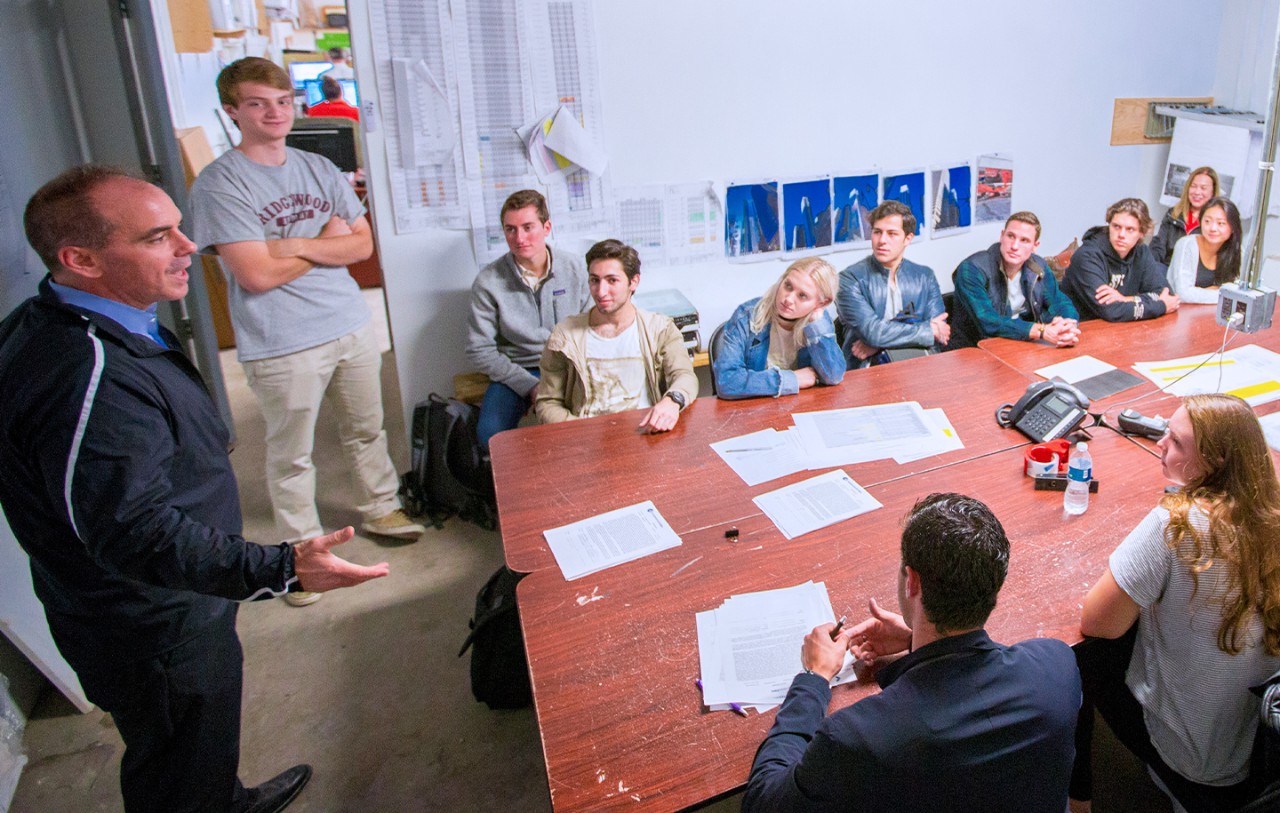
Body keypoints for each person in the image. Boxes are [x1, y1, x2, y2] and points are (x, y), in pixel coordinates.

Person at [0, 165, 390, 813]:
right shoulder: (88, 376)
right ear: (81, 260)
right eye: (157, 237)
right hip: (154, 622)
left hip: (167, 600)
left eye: (178, 228)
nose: (189, 246)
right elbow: (135, 532)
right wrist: (281, 567)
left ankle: (224, 797)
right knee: (177, 767)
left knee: (197, 748)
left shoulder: (65, 317)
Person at [190, 57, 423, 609]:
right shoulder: (220, 184)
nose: (275, 114)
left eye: (282, 102)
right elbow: (255, 275)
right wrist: (324, 242)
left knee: (366, 429)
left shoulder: (317, 167)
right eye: (258, 104)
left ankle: (381, 507)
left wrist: (291, 245)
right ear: (232, 111)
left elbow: (361, 245)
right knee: (291, 453)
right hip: (281, 341)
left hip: (348, 324)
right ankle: (301, 558)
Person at [743, 493, 1080, 812]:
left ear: (912, 582)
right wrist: (913, 642)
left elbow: (762, 802)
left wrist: (814, 678)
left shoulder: (855, 739)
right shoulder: (1057, 668)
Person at [1070, 394, 1280, 813]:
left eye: (1177, 441)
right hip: (1259, 748)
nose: (1161, 443)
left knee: (1079, 660)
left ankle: (1079, 801)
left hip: (1196, 764)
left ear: (1215, 463)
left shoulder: (1176, 524)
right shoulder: (1271, 516)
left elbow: (1097, 622)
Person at [465, 189, 589, 449]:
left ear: (547, 227)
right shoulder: (488, 281)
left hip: (570, 365)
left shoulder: (576, 268)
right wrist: (529, 386)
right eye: (510, 229)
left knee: (589, 429)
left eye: (528, 227)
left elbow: (594, 327)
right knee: (490, 437)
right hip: (518, 370)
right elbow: (480, 349)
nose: (519, 238)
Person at [535, 238, 697, 431]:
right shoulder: (565, 336)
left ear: (633, 282)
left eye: (612, 280)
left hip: (645, 433)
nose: (601, 291)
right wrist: (580, 431)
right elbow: (547, 403)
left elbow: (685, 376)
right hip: (586, 437)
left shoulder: (660, 329)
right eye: (595, 280)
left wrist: (672, 401)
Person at [836, 200, 948, 368]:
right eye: (877, 232)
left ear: (908, 238)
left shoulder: (925, 277)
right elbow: (873, 332)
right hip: (866, 369)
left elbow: (940, 333)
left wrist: (877, 344)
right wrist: (926, 330)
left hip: (918, 365)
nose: (882, 240)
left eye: (892, 234)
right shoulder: (849, 279)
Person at [713, 257, 845, 399]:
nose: (788, 299)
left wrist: (817, 326)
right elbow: (727, 382)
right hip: (756, 407)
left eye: (802, 295)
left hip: (800, 405)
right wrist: (791, 380)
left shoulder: (818, 320)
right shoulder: (746, 316)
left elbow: (833, 376)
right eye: (788, 286)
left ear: (821, 303)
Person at [950, 211, 1080, 349]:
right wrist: (1041, 331)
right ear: (1002, 236)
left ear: (1035, 246)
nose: (1015, 246)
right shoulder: (972, 269)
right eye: (1011, 236)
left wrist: (1067, 325)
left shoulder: (1038, 266)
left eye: (1024, 240)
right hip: (976, 349)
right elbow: (987, 320)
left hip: (1022, 345)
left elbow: (1060, 302)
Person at [1062, 198, 1180, 322]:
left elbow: (1167, 294)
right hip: (1080, 326)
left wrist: (1126, 299)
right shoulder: (1087, 256)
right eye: (1116, 227)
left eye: (1130, 229)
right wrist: (1161, 306)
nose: (1121, 235)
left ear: (1142, 233)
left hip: (1120, 327)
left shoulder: (1141, 252)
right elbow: (1110, 310)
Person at [1166, 196, 1242, 305]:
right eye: (1207, 221)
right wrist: (1223, 293)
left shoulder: (1238, 251)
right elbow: (1183, 294)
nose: (1212, 228)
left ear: (1233, 227)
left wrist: (1204, 293)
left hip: (1215, 310)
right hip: (1181, 309)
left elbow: (1241, 292)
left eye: (1221, 223)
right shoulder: (1186, 245)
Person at [1149, 166, 1220, 265]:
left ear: (1213, 192)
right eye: (1193, 186)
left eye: (1203, 188)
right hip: (1166, 268)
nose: (1197, 192)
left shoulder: (1215, 224)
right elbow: (1159, 246)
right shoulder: (1173, 213)